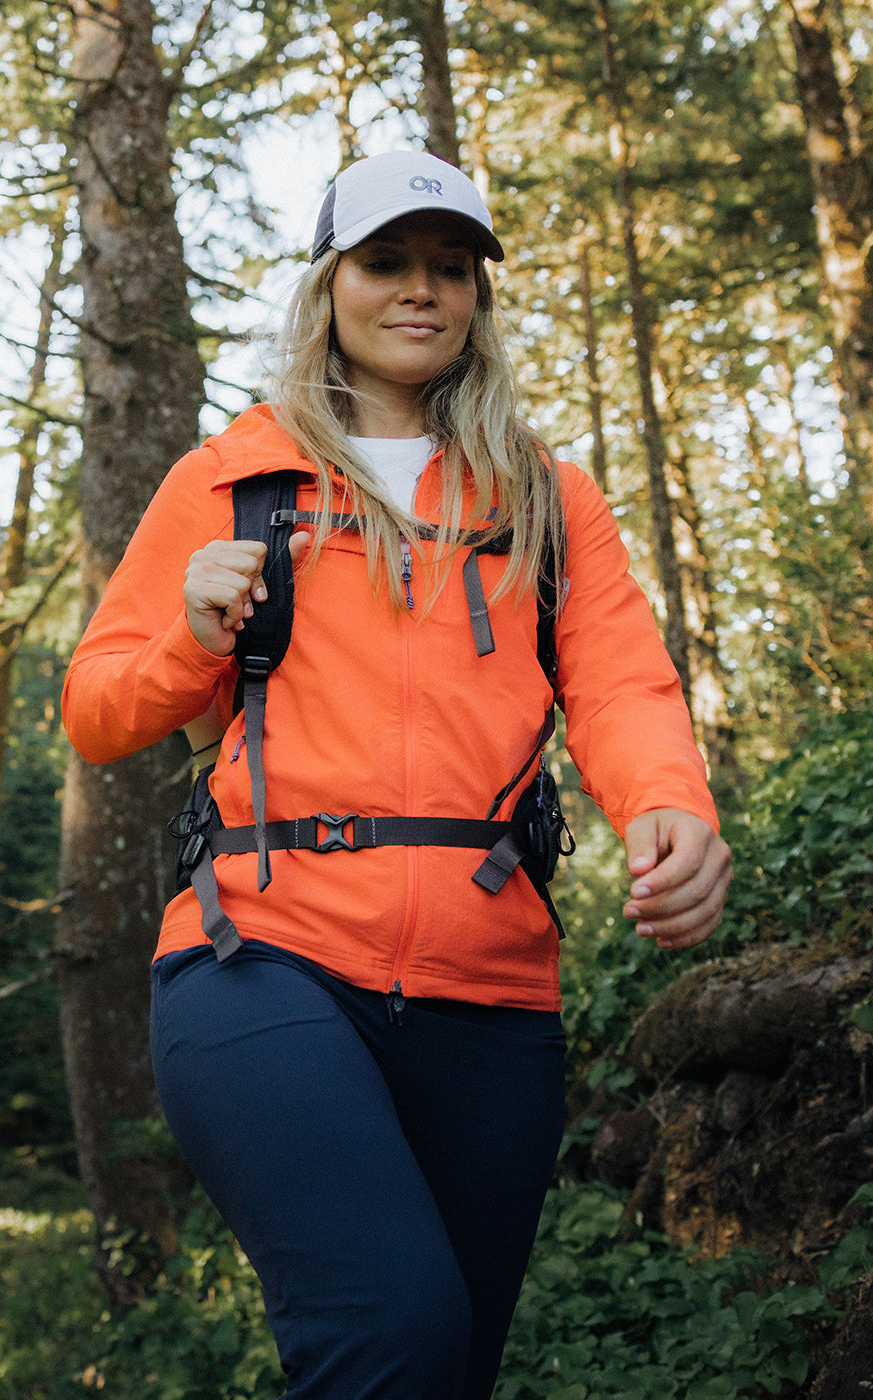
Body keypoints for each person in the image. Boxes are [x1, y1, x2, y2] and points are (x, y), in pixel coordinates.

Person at [62, 149, 732, 1400]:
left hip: (493, 993)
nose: (417, 289)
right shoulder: (230, 479)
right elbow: (95, 710)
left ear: (477, 293)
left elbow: (623, 686)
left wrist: (670, 809)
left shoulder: (545, 493)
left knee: (447, 1366)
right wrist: (185, 641)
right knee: (393, 1329)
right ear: (330, 284)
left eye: (448, 266)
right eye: (384, 260)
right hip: (255, 953)